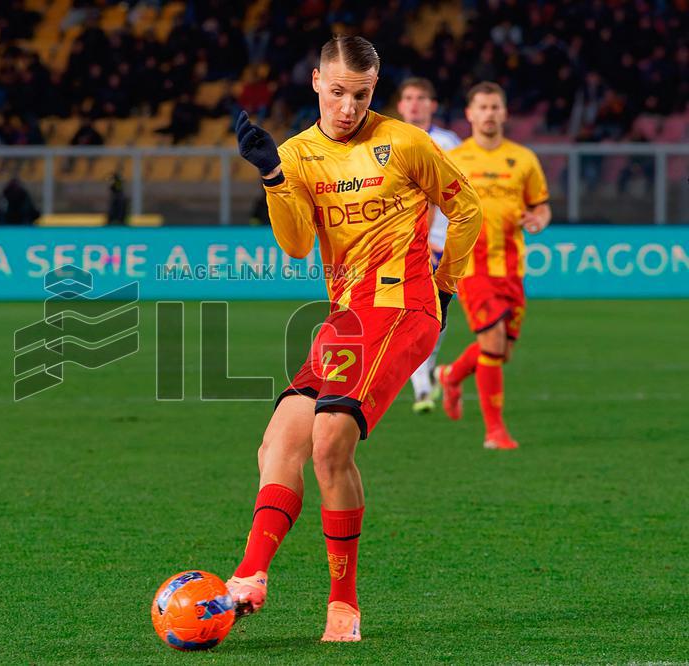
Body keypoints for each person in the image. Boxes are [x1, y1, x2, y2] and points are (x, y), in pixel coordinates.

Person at [228, 36, 481, 642]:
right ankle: (250, 577)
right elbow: (294, 245)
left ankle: (344, 606)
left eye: (361, 95)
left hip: (403, 306)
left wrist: (444, 290)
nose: (347, 107)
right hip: (347, 316)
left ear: (375, 89)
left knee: (328, 443)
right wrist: (272, 175)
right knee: (279, 441)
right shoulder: (296, 154)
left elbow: (468, 207)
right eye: (337, 92)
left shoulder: (405, 144)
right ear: (316, 81)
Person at [436, 82, 551, 451]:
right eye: (482, 107)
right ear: (469, 114)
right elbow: (431, 202)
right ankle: (494, 432)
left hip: (512, 267)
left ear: (504, 113)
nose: (488, 113)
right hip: (471, 265)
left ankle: (451, 376)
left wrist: (539, 220)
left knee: (501, 351)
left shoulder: (524, 159)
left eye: (495, 107)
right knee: (492, 341)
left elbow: (540, 205)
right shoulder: (456, 159)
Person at [395, 77, 462, 414]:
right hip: (402, 243)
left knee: (437, 315)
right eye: (409, 97)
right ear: (400, 105)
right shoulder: (388, 140)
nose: (415, 103)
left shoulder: (450, 143)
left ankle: (427, 373)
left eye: (422, 97)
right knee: (413, 314)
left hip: (442, 244)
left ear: (433, 105)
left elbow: (455, 196)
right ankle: (423, 385)